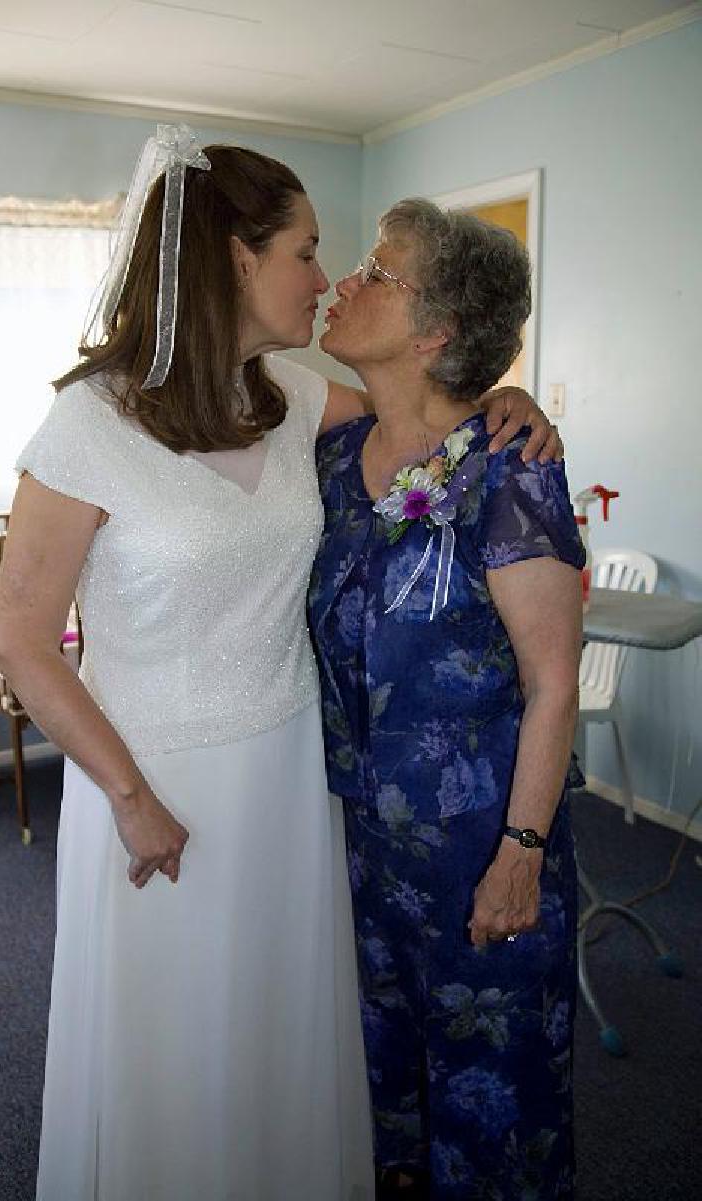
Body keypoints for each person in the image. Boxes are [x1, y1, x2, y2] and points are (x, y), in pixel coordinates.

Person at [0, 127, 560, 1201]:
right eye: (304, 250)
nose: (324, 276)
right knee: (174, 1034)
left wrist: (507, 401)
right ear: (232, 260)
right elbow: (20, 642)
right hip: (151, 783)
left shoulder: (293, 398)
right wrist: (129, 796)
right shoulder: (87, 426)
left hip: (287, 773)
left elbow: (424, 416)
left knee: (276, 1025)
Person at [309, 201, 584, 1200]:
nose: (344, 280)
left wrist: (520, 851)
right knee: (386, 1096)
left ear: (432, 331)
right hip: (356, 850)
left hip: (481, 849)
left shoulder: (513, 471)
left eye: (375, 272)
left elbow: (554, 681)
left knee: (491, 1105)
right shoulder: (333, 461)